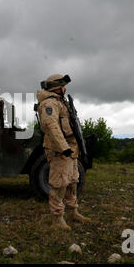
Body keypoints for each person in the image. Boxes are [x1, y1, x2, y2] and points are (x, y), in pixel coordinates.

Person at [37, 74, 91, 230]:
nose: (65, 89)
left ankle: (73, 212)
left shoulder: (62, 102)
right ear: (56, 87)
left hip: (71, 147)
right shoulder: (49, 103)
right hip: (60, 150)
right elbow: (50, 125)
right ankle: (57, 218)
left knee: (73, 180)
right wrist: (63, 147)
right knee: (59, 184)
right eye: (63, 86)